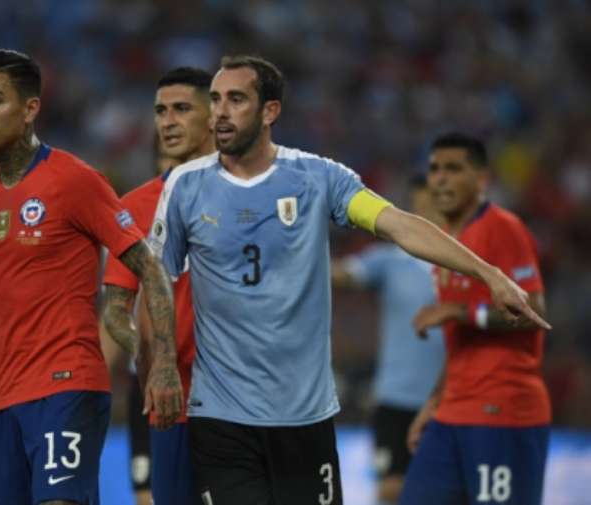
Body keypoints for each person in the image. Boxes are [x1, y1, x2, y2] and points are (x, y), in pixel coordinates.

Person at [147, 55, 549, 505]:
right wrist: (163, 361)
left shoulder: (319, 178)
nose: (220, 112)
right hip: (221, 418)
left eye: (236, 99)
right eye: (216, 99)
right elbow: (159, 277)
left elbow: (398, 224)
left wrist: (488, 272)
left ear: (269, 112)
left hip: (305, 417)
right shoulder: (184, 186)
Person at [0, 48, 183, 505]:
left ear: (29, 110)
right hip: (6, 398)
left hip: (70, 384)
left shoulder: (74, 181)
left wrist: (161, 360)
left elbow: (150, 267)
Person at [399, 133, 551, 505]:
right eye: (435, 169)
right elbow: (460, 342)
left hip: (503, 409)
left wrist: (459, 311)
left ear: (482, 179)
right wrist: (435, 401)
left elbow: (536, 312)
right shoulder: (449, 242)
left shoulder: (502, 227)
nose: (441, 179)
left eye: (454, 169)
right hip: (454, 409)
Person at [101, 66, 215, 505]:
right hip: (172, 404)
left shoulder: (247, 193)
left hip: (242, 401)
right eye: (160, 111)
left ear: (213, 116)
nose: (166, 120)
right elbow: (115, 308)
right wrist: (144, 351)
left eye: (181, 109)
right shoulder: (134, 207)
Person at [331, 174, 446, 504]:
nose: (425, 205)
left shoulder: (463, 261)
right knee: (391, 491)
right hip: (395, 399)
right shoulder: (390, 260)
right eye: (419, 198)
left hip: (446, 398)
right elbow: (346, 273)